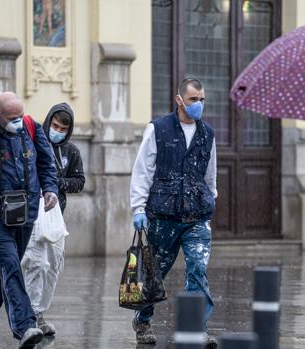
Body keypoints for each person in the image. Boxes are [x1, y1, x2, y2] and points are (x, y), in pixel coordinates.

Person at [0, 91, 59, 348]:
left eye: (20, 115)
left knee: (6, 268)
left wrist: (50, 189)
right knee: (11, 265)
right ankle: (25, 326)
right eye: (11, 117)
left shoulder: (30, 127)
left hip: (26, 213)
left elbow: (47, 163)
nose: (18, 121)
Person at [130, 78, 218, 348]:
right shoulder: (158, 129)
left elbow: (210, 173)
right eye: (193, 99)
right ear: (179, 100)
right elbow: (143, 170)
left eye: (202, 99)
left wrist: (210, 199)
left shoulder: (207, 133)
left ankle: (196, 328)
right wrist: (138, 207)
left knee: (198, 269)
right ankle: (143, 319)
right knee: (156, 272)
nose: (198, 104)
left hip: (196, 216)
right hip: (163, 215)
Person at [21, 103, 85, 336]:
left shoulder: (71, 152)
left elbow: (79, 181)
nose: (56, 130)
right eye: (54, 125)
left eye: (62, 128)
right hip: (33, 214)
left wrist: (58, 183)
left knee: (54, 265)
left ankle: (39, 314)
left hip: (56, 215)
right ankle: (27, 316)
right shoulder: (33, 145)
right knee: (36, 263)